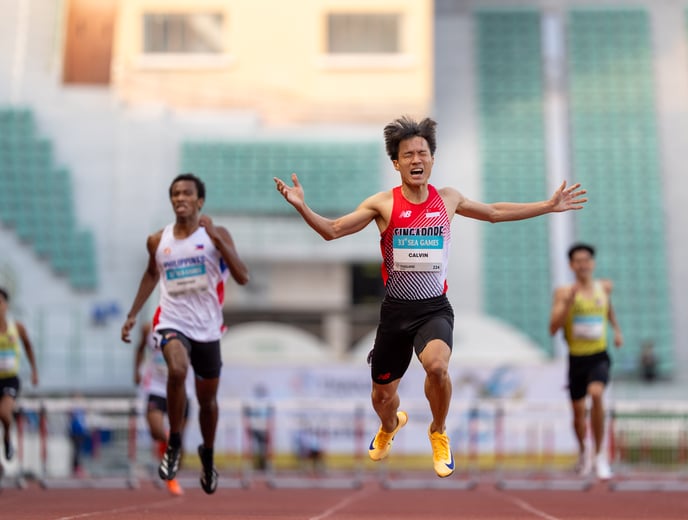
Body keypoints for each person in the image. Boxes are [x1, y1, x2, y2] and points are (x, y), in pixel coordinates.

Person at [274, 116, 587, 478]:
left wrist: (547, 206)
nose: (415, 159)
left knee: (437, 366)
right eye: (407, 155)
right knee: (381, 399)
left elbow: (495, 213)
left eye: (422, 152)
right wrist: (301, 206)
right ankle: (390, 425)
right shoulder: (383, 204)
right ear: (397, 163)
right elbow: (332, 231)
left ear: (432, 159)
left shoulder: (448, 199)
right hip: (394, 313)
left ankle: (438, 431)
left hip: (433, 308)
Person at [121, 173, 250, 494]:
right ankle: (174, 442)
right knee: (176, 370)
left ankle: (207, 454)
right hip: (172, 321)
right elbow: (151, 275)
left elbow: (243, 276)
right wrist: (133, 314)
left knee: (208, 402)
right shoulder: (158, 240)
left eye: (187, 193)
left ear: (199, 200)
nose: (180, 198)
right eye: (175, 193)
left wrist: (218, 240)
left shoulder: (216, 235)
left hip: (207, 328)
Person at [549, 243, 622, 480]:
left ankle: (601, 455)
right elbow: (553, 328)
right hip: (576, 358)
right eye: (577, 261)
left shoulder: (605, 287)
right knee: (578, 414)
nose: (582, 265)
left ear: (592, 263)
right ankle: (584, 452)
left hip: (598, 355)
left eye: (586, 260)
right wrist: (569, 304)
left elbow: (608, 308)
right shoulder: (563, 292)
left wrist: (617, 330)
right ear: (571, 265)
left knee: (597, 394)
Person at [134, 321, 195, 496]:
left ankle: (172, 477)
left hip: (183, 390)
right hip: (157, 387)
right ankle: (168, 441)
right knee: (156, 431)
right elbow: (139, 349)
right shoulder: (148, 328)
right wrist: (136, 371)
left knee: (180, 441)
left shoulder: (189, 327)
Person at [0, 287, 39, 467]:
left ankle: (7, 439)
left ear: (6, 305)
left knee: (4, 414)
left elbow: (29, 347)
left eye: (0, 302)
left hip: (9, 379)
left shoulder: (17, 327)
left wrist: (34, 371)